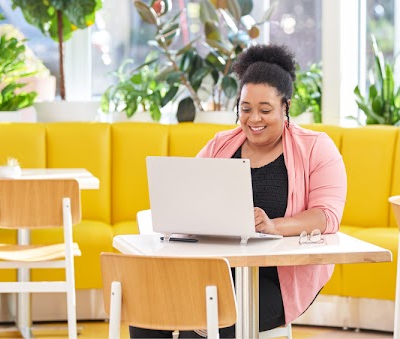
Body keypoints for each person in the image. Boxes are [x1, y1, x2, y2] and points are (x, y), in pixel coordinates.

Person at [129, 44, 347, 338]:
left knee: (208, 319)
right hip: (213, 272)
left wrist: (273, 226)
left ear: (286, 107)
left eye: (265, 110)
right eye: (245, 109)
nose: (254, 119)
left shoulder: (317, 148)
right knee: (148, 308)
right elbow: (188, 197)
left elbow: (327, 216)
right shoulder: (220, 145)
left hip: (277, 281)